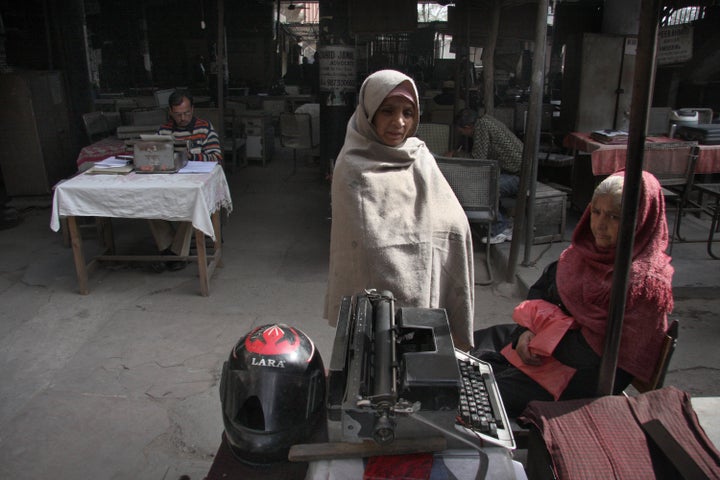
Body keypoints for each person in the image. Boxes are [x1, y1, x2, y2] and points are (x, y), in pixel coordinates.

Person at [470, 171, 674, 417]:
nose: (600, 225)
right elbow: (542, 291)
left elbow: (594, 352)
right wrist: (526, 332)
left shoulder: (645, 283)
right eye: (596, 212)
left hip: (589, 376)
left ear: (641, 220)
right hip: (549, 344)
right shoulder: (583, 253)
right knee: (468, 346)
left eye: (614, 217)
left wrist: (538, 343)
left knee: (482, 389)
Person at [324, 69, 475, 351]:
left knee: (420, 357)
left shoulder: (419, 155)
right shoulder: (351, 164)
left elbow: (450, 217)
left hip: (425, 278)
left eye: (408, 112)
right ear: (369, 113)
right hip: (374, 294)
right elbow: (367, 243)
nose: (399, 122)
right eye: (388, 111)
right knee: (375, 355)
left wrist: (435, 238)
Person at [150, 90, 223, 272]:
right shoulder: (164, 130)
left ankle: (175, 253)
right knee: (149, 202)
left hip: (196, 183)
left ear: (193, 109)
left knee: (191, 205)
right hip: (170, 183)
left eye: (186, 113)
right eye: (178, 114)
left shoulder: (204, 128)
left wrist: (189, 156)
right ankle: (168, 248)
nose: (183, 118)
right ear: (170, 112)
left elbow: (216, 157)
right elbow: (156, 157)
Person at [452, 109, 523, 244]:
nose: (463, 135)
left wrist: (455, 154)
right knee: (485, 185)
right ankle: (504, 222)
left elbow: (478, 160)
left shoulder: (481, 127)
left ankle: (500, 229)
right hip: (514, 172)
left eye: (462, 131)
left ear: (468, 127)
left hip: (520, 177)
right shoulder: (485, 121)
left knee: (482, 190)